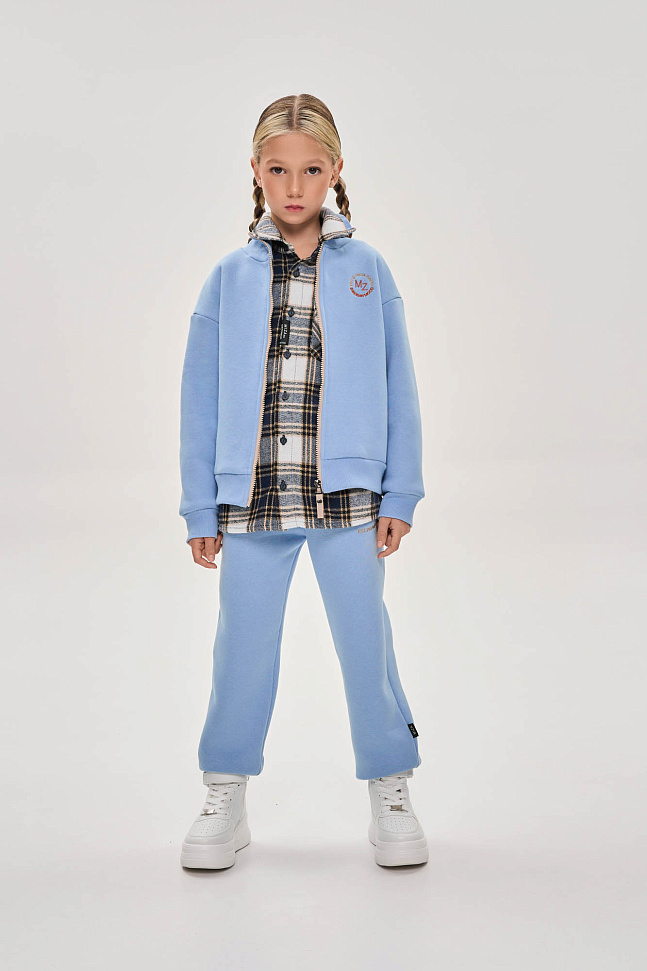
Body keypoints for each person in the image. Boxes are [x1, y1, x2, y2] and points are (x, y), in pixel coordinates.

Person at [178, 93, 428, 870]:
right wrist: (199, 506)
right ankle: (224, 793)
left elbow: (398, 383)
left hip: (348, 503)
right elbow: (198, 397)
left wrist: (400, 492)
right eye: (279, 170)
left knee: (365, 647)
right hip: (252, 501)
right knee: (241, 653)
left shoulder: (366, 270)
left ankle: (391, 787)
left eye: (311, 170)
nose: (294, 187)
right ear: (255, 171)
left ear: (336, 171)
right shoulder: (228, 277)